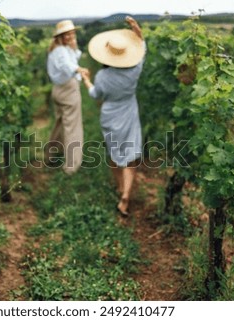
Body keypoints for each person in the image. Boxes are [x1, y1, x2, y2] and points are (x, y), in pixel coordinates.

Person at [81, 16, 147, 216]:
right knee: (130, 157)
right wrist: (137, 29)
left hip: (110, 115)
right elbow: (142, 48)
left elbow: (95, 95)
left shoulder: (102, 76)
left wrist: (86, 80)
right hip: (128, 112)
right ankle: (125, 195)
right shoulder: (135, 70)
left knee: (114, 154)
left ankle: (119, 187)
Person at [46, 20, 89, 175]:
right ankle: (71, 166)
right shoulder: (60, 51)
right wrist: (79, 69)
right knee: (72, 126)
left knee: (60, 123)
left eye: (73, 33)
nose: (71, 35)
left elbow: (73, 57)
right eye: (68, 34)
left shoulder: (59, 48)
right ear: (60, 36)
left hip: (58, 90)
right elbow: (66, 65)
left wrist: (73, 44)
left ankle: (50, 155)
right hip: (68, 90)